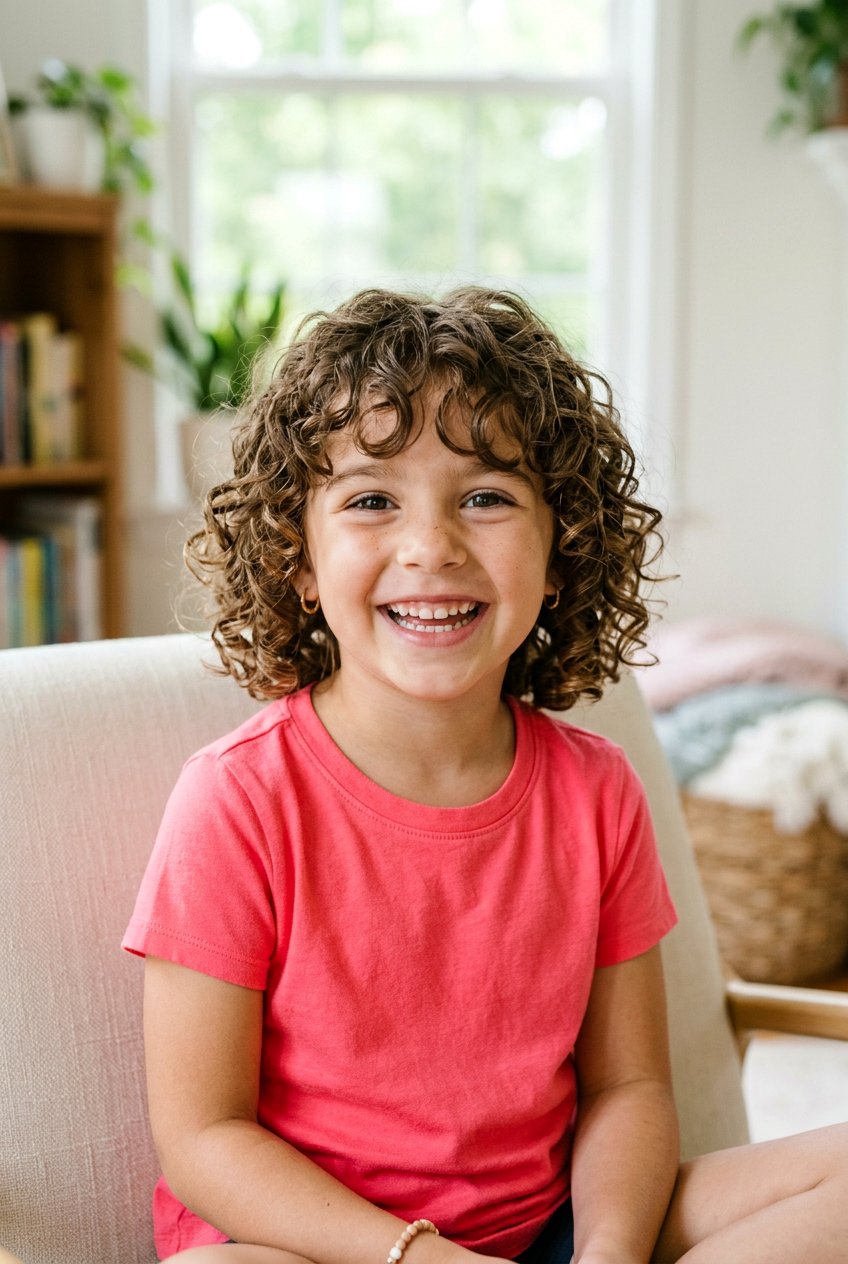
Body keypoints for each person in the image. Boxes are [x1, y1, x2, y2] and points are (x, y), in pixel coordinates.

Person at [123, 287, 848, 1264]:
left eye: (486, 497)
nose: (431, 545)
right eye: (371, 499)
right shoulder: (237, 798)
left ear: (560, 550)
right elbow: (204, 1138)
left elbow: (628, 1089)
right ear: (298, 556)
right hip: (326, 1250)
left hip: (551, 1229)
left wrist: (609, 1253)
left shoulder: (597, 789)